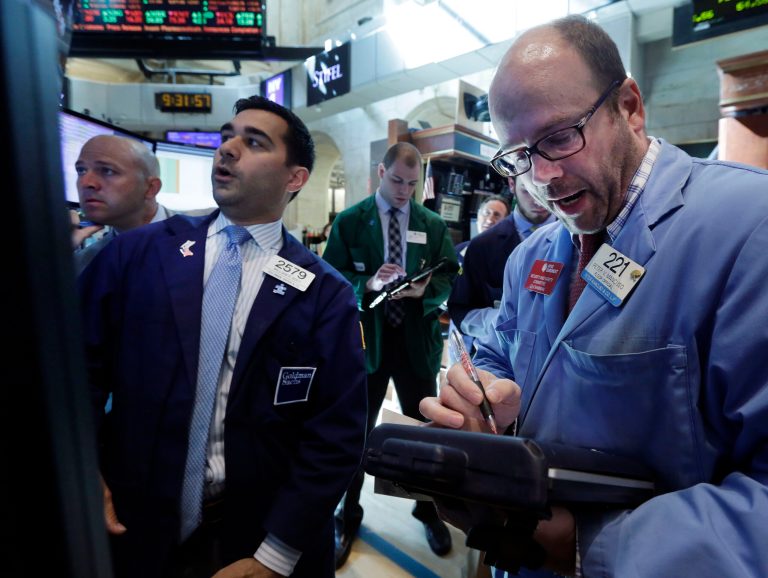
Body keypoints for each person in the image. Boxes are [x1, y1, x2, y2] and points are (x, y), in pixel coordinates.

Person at [420, 14, 768, 578]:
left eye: (559, 137)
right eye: (520, 155)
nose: (544, 177)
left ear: (629, 105)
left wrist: (587, 545)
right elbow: (501, 353)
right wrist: (482, 396)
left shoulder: (749, 228)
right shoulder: (532, 258)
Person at [78, 95, 368, 578]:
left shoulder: (323, 293)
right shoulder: (136, 255)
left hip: (254, 540)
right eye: (226, 136)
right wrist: (81, 470)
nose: (227, 149)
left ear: (294, 178)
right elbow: (74, 373)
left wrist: (274, 558)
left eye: (253, 142)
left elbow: (336, 433)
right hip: (131, 524)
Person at [323, 141, 460, 568]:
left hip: (416, 341)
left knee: (422, 430)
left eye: (412, 184)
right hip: (368, 342)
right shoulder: (349, 222)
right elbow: (331, 277)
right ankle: (349, 510)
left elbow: (449, 272)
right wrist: (366, 285)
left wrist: (425, 291)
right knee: (356, 432)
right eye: (397, 181)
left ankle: (425, 509)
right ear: (380, 174)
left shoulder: (431, 224)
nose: (404, 191)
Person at [448, 178, 554, 353]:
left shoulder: (578, 238)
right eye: (528, 190)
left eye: (545, 188)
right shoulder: (482, 245)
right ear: (512, 185)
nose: (538, 198)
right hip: (498, 356)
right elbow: (460, 309)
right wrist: (503, 320)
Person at [72, 134, 167, 274]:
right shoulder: (83, 263)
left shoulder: (203, 236)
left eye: (107, 171)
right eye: (81, 170)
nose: (86, 183)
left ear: (150, 188)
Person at [454, 194, 511, 267]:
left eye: (497, 215)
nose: (489, 220)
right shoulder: (459, 250)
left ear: (505, 222)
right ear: (478, 215)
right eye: (486, 213)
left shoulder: (509, 257)